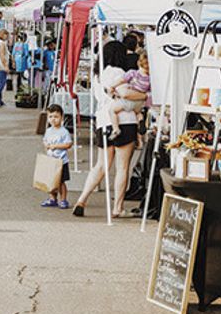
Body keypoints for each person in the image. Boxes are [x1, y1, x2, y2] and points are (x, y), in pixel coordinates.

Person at [72, 46, 147, 218]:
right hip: (125, 120)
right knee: (122, 167)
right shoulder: (117, 71)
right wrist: (144, 97)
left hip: (103, 120)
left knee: (101, 165)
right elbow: (125, 93)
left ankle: (82, 200)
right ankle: (117, 208)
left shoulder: (97, 75)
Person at [106, 52, 151, 143]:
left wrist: (112, 87)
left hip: (129, 100)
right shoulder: (150, 78)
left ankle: (116, 129)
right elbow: (149, 91)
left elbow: (122, 80)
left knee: (112, 110)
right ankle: (141, 121)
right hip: (140, 102)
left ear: (139, 63)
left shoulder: (133, 73)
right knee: (138, 113)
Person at [40, 104, 72, 209]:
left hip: (61, 161)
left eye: (56, 117)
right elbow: (45, 140)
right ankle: (52, 198)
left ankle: (63, 199)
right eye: (51, 117)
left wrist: (55, 146)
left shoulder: (64, 132)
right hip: (51, 160)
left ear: (61, 118)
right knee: (51, 181)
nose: (53, 119)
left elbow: (68, 144)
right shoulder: (49, 131)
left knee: (61, 181)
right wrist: (46, 146)